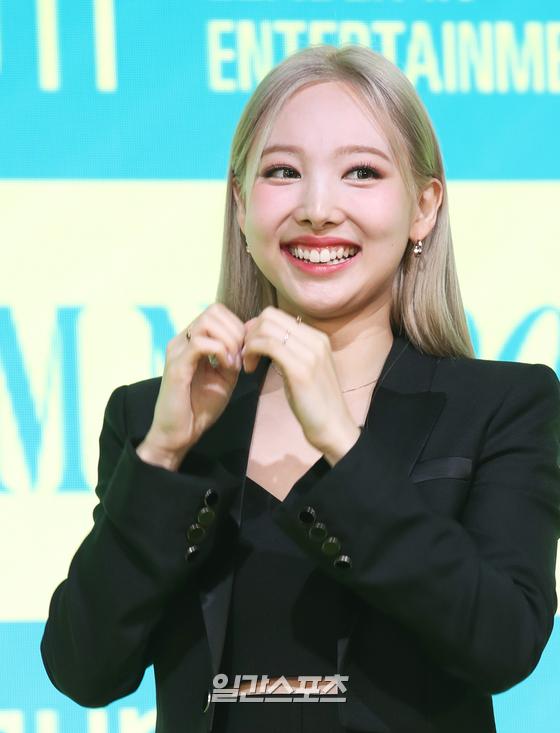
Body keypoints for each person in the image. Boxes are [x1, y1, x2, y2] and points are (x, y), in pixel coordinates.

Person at [40, 44, 560, 733]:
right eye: (283, 172)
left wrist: (343, 445)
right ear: (240, 202)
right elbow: (84, 669)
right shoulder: (150, 416)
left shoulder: (503, 407)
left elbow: (503, 644)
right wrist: (161, 455)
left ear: (424, 207)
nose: (317, 209)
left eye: (362, 172)